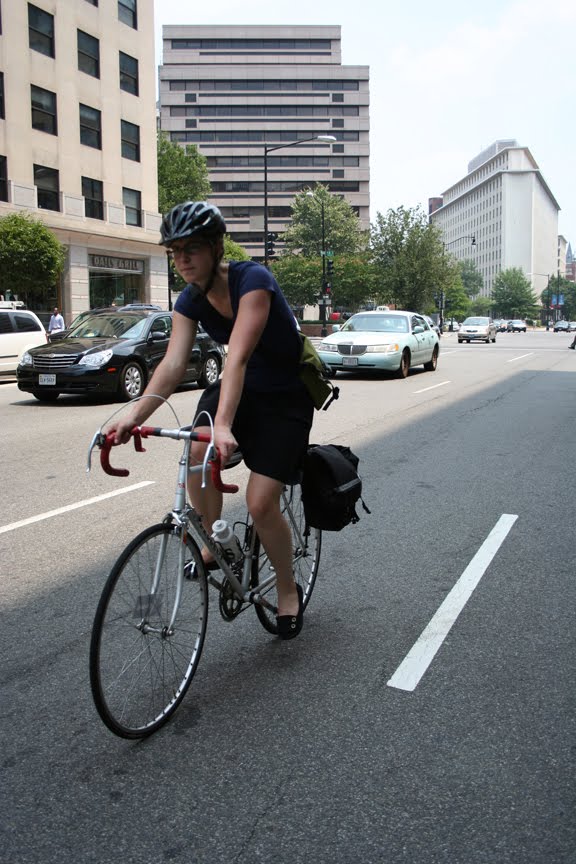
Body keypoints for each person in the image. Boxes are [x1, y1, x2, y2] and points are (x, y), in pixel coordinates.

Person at [107, 201, 315, 639]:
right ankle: (216, 544)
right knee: (196, 446)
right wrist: (132, 416)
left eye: (192, 249)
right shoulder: (189, 298)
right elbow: (171, 365)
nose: (182, 259)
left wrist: (224, 424)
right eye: (174, 251)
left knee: (260, 503)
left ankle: (286, 587)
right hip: (240, 389)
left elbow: (236, 357)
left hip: (284, 395)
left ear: (216, 247)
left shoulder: (253, 281)